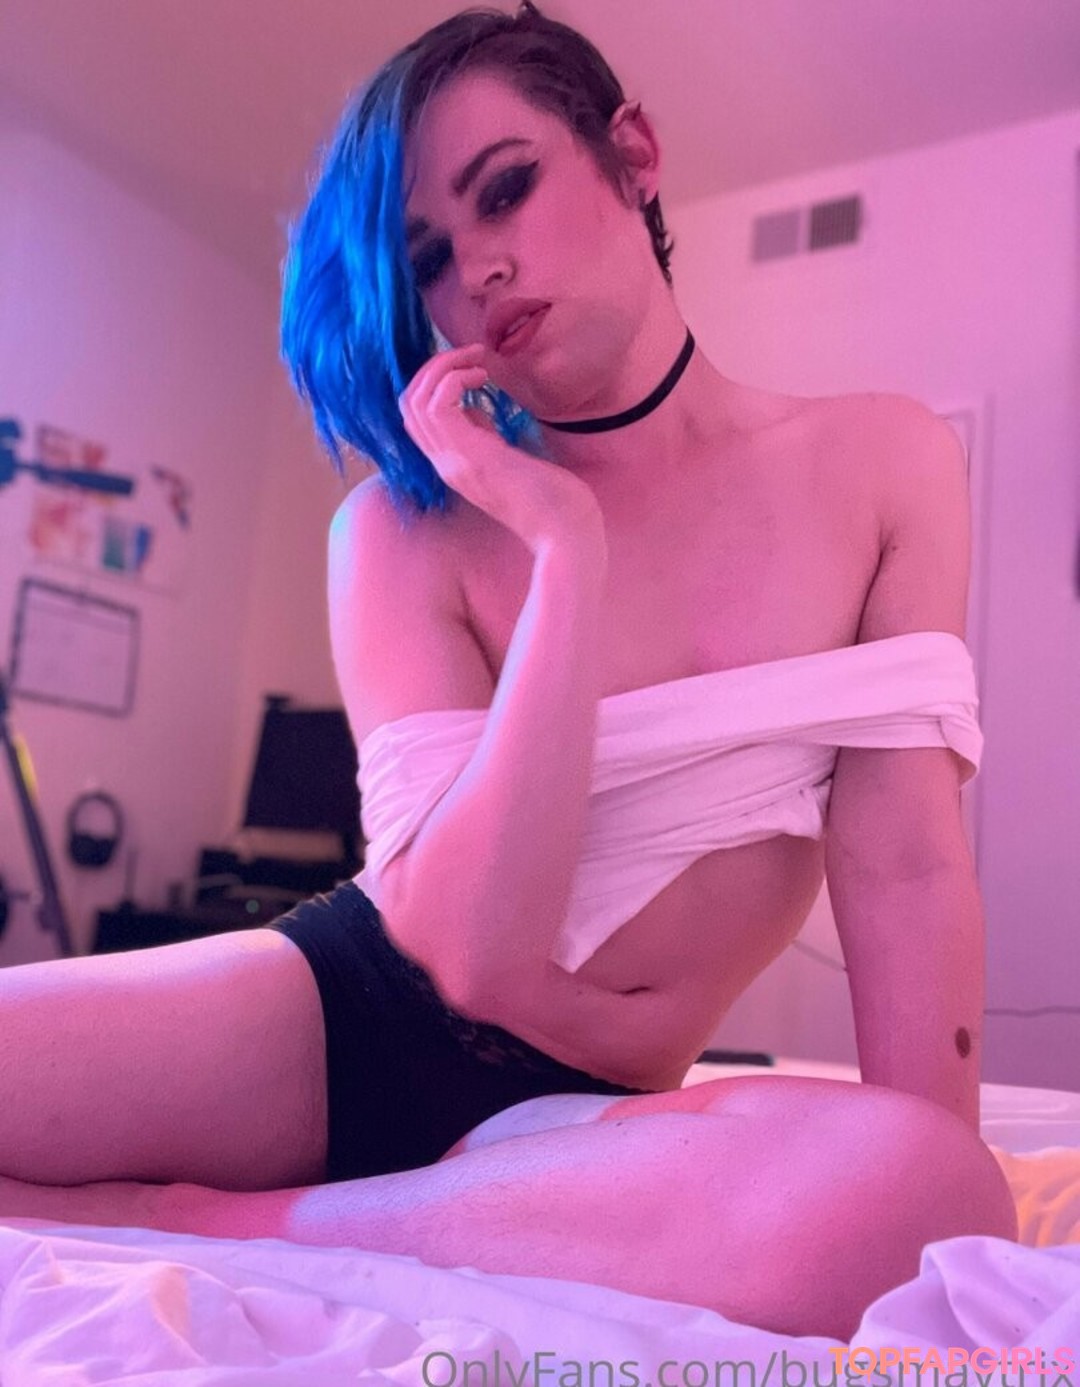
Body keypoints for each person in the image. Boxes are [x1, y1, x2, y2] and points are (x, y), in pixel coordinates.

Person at [0, 1, 1015, 1340]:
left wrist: (932, 1197)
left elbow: (906, 867)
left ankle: (219, 1220)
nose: (478, 266)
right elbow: (466, 955)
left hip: (583, 1126)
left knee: (931, 1191)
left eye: (507, 188)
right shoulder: (399, 528)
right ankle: (242, 1210)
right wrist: (563, 548)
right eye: (429, 255)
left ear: (632, 154)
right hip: (340, 1023)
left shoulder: (884, 464)